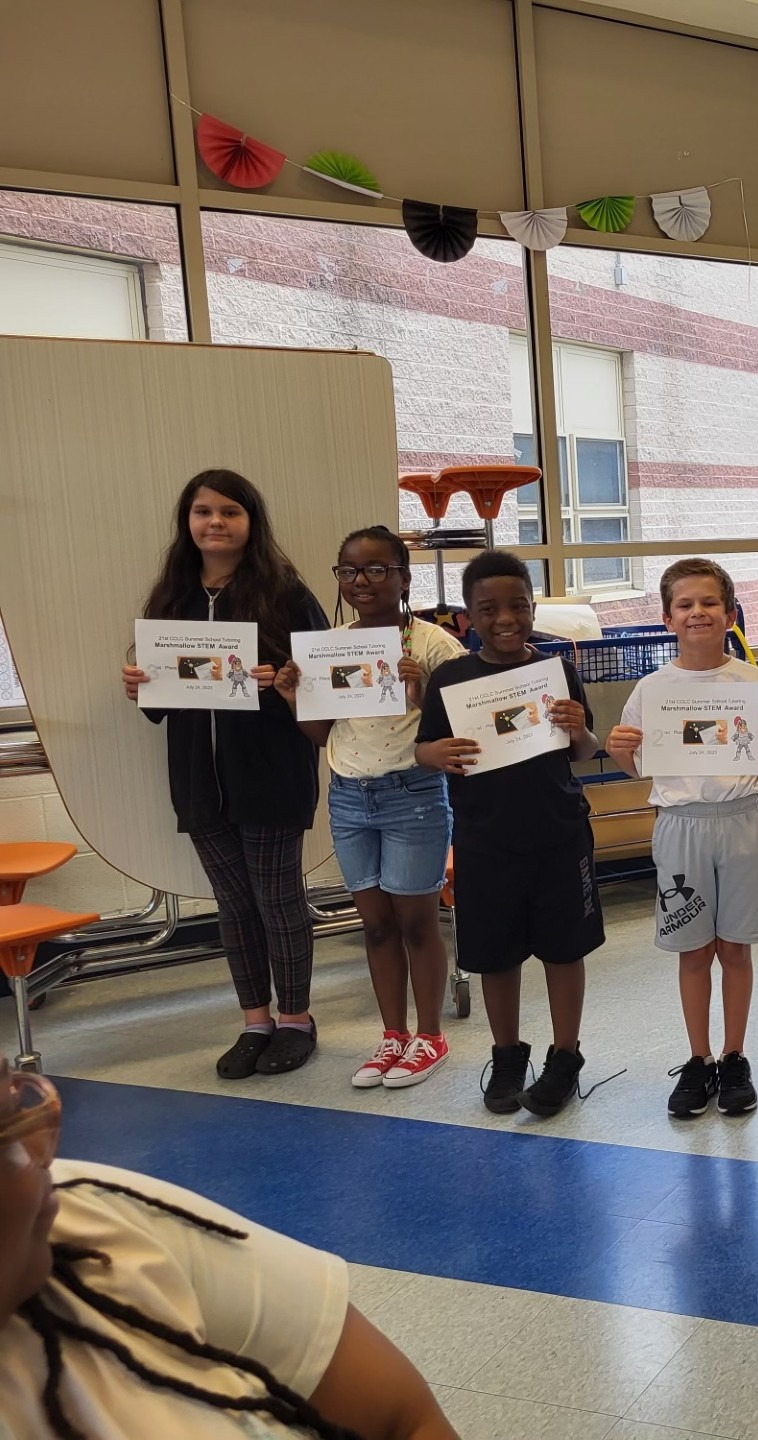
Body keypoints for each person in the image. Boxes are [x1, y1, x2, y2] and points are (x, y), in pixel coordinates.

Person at [0, 1060, 457, 1438]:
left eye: (17, 1101)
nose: (43, 1152)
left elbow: (404, 1418)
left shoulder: (96, 1218)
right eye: (6, 1140)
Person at [121, 470, 328, 1080]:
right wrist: (137, 685)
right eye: (203, 511)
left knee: (279, 903)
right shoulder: (172, 599)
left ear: (250, 521)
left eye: (230, 512)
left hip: (270, 775)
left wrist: (286, 679)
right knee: (234, 908)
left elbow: (323, 681)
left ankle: (296, 1021)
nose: (215, 522)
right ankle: (255, 1021)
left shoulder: (286, 593)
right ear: (187, 522)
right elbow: (159, 702)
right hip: (198, 781)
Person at [415, 551, 603, 1118]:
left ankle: (565, 1057)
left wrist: (581, 729)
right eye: (488, 608)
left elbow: (585, 751)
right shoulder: (451, 678)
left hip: (559, 833)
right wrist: (435, 753)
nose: (505, 618)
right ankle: (506, 1055)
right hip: (484, 839)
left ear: (532, 607)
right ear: (468, 616)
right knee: (496, 956)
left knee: (564, 951)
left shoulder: (555, 670)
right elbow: (423, 748)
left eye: (517, 606)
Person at [276, 527, 464, 1091]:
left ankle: (429, 1035)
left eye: (378, 570)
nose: (362, 582)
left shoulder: (432, 644)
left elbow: (459, 729)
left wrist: (424, 689)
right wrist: (293, 697)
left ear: (404, 578)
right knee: (376, 925)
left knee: (416, 920)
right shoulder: (332, 646)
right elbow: (317, 733)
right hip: (350, 796)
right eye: (350, 571)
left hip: (413, 794)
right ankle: (392, 1035)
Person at [606, 559, 758, 1117]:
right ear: (667, 617)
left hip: (741, 820)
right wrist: (618, 747)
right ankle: (699, 1057)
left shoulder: (754, 682)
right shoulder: (653, 688)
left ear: (731, 614)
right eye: (685, 604)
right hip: (681, 825)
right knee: (693, 950)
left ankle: (735, 1055)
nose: (698, 613)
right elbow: (636, 765)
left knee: (734, 948)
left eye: (709, 603)